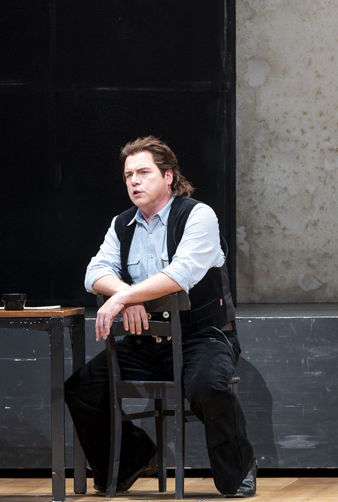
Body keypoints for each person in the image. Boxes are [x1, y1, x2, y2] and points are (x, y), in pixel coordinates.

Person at [64, 136, 256, 497]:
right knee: (82, 388)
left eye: (143, 173)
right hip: (148, 341)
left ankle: (238, 469)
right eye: (128, 175)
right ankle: (134, 458)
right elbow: (94, 272)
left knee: (207, 387)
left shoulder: (197, 215)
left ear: (168, 176)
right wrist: (126, 293)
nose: (134, 181)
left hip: (204, 336)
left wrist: (124, 296)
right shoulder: (122, 224)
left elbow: (180, 274)